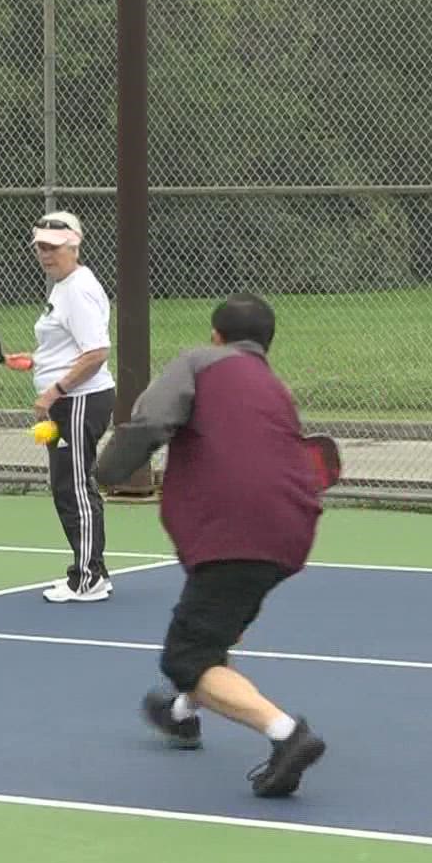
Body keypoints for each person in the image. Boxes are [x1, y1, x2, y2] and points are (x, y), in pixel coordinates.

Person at [92, 293, 327, 798]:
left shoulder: (200, 362)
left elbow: (153, 419)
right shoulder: (275, 388)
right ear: (266, 344)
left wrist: (109, 469)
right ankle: (181, 715)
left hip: (234, 531)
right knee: (215, 629)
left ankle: (286, 734)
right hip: (291, 529)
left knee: (187, 658)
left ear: (216, 336)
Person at [11, 211, 116, 603]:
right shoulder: (64, 285)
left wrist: (53, 389)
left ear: (74, 246)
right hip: (69, 402)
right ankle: (91, 571)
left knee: (73, 487)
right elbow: (70, 346)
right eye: (39, 246)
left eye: (52, 247)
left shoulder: (76, 290)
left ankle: (88, 577)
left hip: (79, 402)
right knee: (66, 486)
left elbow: (96, 353)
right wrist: (38, 359)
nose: (44, 254)